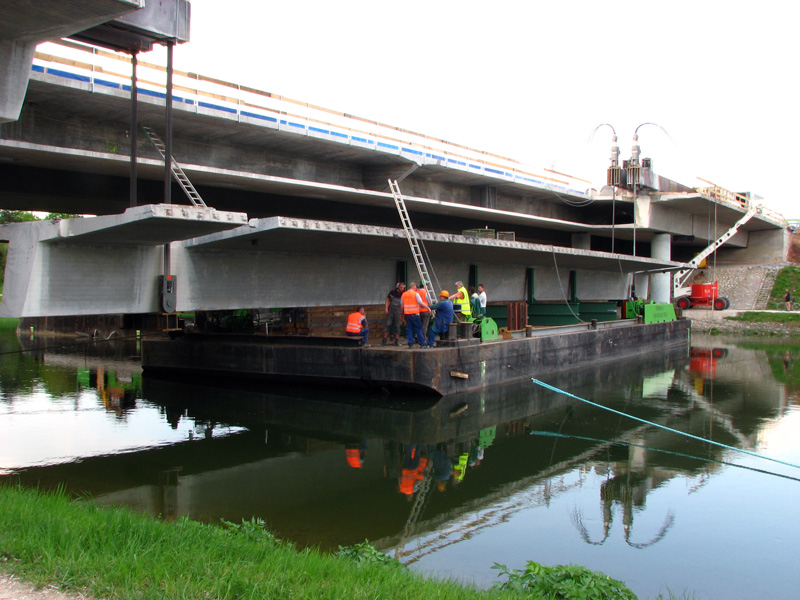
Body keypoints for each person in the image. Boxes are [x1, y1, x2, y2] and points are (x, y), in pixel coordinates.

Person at [401, 281, 430, 348]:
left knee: (409, 329)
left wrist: (401, 313)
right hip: (415, 314)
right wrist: (428, 307)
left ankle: (410, 344)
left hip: (407, 314)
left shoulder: (404, 294)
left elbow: (402, 306)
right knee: (418, 329)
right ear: (414, 287)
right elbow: (420, 302)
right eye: (416, 287)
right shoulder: (415, 294)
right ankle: (422, 344)